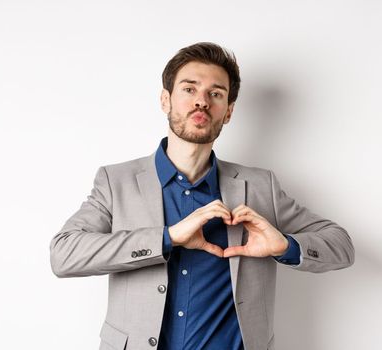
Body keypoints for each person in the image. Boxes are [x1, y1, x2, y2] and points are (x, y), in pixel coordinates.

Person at [49, 42, 355, 350]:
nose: (202, 102)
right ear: (165, 100)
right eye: (189, 89)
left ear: (229, 112)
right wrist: (166, 238)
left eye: (216, 93)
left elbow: (341, 245)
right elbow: (63, 255)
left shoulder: (261, 186)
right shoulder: (117, 182)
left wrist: (285, 246)